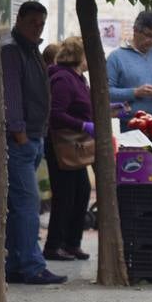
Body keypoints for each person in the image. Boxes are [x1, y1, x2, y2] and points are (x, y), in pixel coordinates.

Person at [1, 1, 67, 285]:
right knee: (28, 205)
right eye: (33, 23)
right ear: (20, 20)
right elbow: (12, 95)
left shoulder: (32, 51)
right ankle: (31, 264)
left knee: (24, 205)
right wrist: (20, 133)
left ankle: (17, 262)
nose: (37, 29)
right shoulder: (12, 51)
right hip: (22, 141)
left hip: (34, 138)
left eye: (41, 24)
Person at [42, 37, 94, 262]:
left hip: (76, 146)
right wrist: (82, 125)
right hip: (63, 146)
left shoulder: (79, 79)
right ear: (79, 56)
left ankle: (72, 243)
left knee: (81, 193)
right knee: (65, 196)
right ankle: (54, 245)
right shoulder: (63, 79)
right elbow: (56, 113)